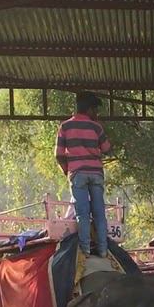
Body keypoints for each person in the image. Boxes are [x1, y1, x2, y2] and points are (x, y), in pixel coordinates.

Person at [55, 91, 114, 257]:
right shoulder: (96, 127)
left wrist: (67, 170)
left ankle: (85, 249)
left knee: (82, 213)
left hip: (77, 173)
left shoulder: (65, 126)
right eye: (95, 109)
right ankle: (103, 249)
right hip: (96, 173)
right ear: (89, 109)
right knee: (99, 213)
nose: (96, 113)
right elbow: (107, 149)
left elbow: (58, 155)